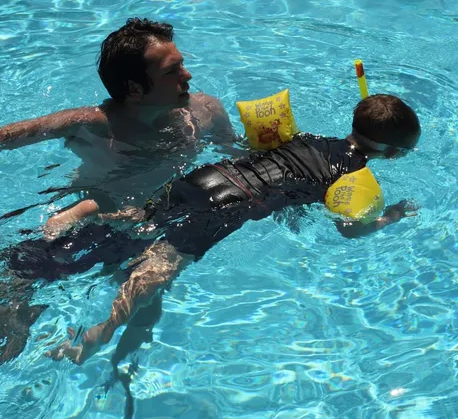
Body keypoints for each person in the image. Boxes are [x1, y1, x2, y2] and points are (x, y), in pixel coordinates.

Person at [43, 94, 420, 366]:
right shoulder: (352, 177)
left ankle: (92, 211)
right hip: (231, 205)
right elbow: (350, 229)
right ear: (392, 153)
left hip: (212, 176)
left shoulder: (310, 139)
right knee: (164, 263)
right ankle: (104, 329)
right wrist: (393, 217)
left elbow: (249, 152)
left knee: (145, 215)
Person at [0, 18, 236, 219]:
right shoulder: (93, 124)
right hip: (99, 207)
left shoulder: (208, 111)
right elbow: (9, 136)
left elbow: (233, 157)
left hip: (156, 213)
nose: (187, 75)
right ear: (135, 90)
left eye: (181, 64)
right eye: (171, 71)